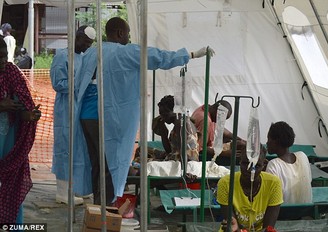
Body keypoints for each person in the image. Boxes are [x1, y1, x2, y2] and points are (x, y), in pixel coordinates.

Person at [76, 16, 215, 206]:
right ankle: (107, 208)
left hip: (86, 114)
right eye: (128, 34)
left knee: (97, 162)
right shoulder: (126, 53)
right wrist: (191, 55)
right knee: (111, 164)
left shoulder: (93, 52)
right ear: (120, 33)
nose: (129, 38)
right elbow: (158, 57)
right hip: (108, 117)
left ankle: (99, 204)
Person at [50, 25, 96, 205]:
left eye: (90, 44)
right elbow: (58, 83)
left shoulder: (85, 57)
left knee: (82, 150)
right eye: (85, 42)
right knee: (66, 148)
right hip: (66, 109)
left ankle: (80, 189)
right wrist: (80, 83)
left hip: (82, 108)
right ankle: (63, 192)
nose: (87, 47)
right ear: (77, 38)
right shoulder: (62, 56)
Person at [0, 37, 41, 223]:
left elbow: (23, 105)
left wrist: (29, 115)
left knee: (13, 181)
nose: (2, 62)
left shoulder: (11, 72)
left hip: (9, 136)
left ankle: (13, 225)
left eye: (4, 57)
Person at [217, 145, 283, 232]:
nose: (250, 170)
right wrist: (237, 230)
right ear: (239, 162)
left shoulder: (274, 184)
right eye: (245, 163)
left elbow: (267, 228)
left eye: (256, 165)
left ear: (264, 164)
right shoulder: (225, 184)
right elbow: (232, 225)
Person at [265, 121, 312, 204]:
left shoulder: (273, 165)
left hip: (283, 213)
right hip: (305, 211)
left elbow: (270, 196)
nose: (267, 143)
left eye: (268, 139)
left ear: (276, 141)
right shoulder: (302, 156)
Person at [191, 100, 246, 166]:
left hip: (210, 147)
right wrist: (224, 153)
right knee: (240, 158)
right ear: (217, 111)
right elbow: (201, 148)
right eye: (222, 118)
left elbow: (219, 127)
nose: (221, 121)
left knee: (240, 144)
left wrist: (238, 139)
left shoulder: (205, 109)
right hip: (202, 155)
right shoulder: (205, 121)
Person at [152, 95, 199, 161]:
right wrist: (163, 132)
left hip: (184, 162)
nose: (162, 117)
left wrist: (184, 170)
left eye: (165, 114)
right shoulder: (179, 121)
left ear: (174, 111)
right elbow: (169, 151)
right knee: (142, 150)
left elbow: (183, 153)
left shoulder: (180, 123)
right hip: (177, 158)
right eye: (161, 114)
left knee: (144, 163)